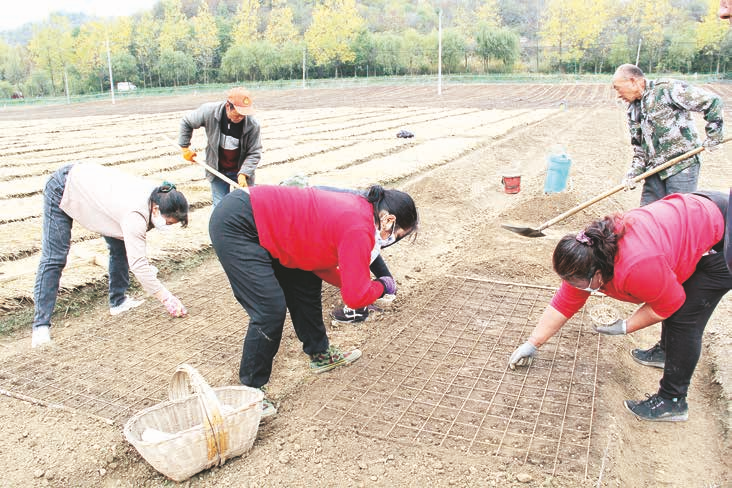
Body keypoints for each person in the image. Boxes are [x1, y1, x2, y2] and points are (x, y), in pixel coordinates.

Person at [508, 191, 730, 422]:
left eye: (580, 283)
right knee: (673, 301)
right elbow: (565, 302)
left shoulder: (637, 268)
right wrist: (533, 343)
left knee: (683, 319)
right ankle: (666, 352)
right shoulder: (586, 256)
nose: (576, 287)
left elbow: (668, 303)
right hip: (693, 216)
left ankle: (673, 401)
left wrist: (625, 326)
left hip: (724, 234)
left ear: (598, 271)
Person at [209, 184, 418, 416]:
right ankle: (250, 392)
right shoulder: (359, 228)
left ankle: (320, 355)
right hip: (240, 223)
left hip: (279, 231)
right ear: (389, 220)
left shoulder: (361, 212)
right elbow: (355, 297)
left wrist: (357, 282)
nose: (392, 240)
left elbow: (321, 263)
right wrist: (381, 286)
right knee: (269, 309)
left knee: (305, 284)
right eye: (397, 236)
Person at [31, 163, 190, 348]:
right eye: (169, 223)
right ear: (156, 209)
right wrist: (166, 297)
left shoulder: (159, 196)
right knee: (55, 257)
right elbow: (138, 263)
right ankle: (40, 326)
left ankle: (118, 301)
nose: (167, 226)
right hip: (65, 186)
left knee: (120, 245)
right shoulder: (136, 214)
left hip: (99, 195)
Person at [611, 64, 723, 206]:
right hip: (654, 171)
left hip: (681, 166)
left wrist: (714, 135)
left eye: (618, 88)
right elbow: (639, 147)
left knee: (679, 214)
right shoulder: (633, 109)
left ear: (633, 81)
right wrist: (634, 173)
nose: (618, 95)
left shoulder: (666, 89)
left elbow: (713, 101)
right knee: (647, 216)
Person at [178, 87, 262, 206]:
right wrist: (185, 147)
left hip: (240, 171)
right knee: (219, 205)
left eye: (243, 115)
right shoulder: (209, 112)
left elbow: (255, 152)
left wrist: (244, 173)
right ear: (228, 106)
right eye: (238, 115)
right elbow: (186, 122)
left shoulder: (252, 125)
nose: (241, 118)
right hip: (217, 169)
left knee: (245, 206)